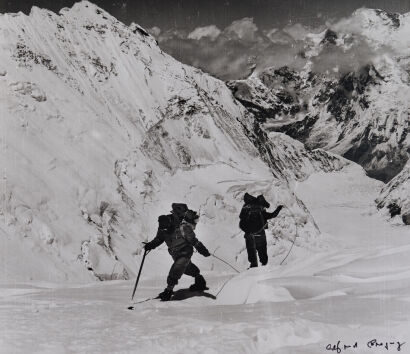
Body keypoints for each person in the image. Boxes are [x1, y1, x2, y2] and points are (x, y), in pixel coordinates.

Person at [144, 208, 211, 301]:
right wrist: (150, 245)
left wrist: (203, 250)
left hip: (186, 251)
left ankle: (168, 290)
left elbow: (194, 241)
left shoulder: (181, 227)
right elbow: (159, 239)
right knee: (187, 268)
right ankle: (199, 280)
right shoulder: (164, 228)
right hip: (175, 253)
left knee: (177, 267)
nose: (164, 230)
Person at [239, 193, 283, 268]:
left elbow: (241, 222)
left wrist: (248, 231)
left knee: (251, 254)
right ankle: (264, 267)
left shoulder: (246, 209)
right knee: (263, 254)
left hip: (249, 236)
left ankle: (252, 269)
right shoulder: (261, 211)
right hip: (260, 236)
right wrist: (279, 208)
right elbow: (273, 215)